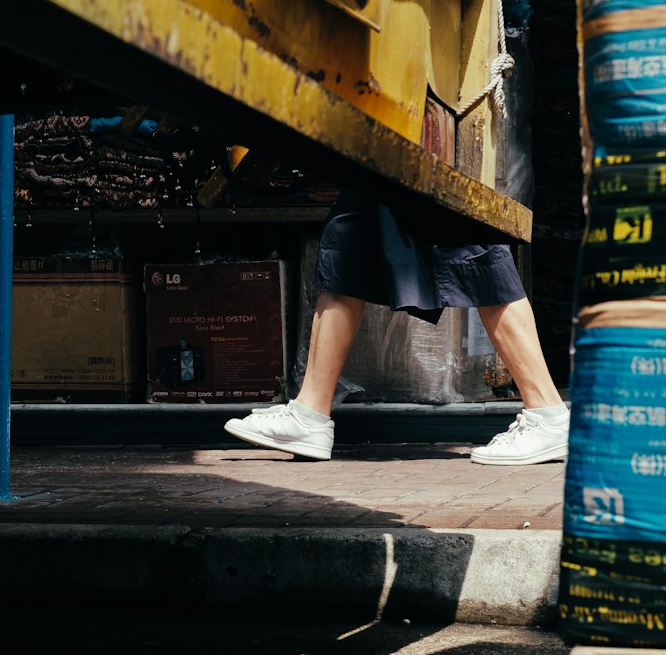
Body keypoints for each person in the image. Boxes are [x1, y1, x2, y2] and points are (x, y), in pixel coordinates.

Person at [224, 187, 568, 466]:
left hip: (424, 127)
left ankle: (547, 413)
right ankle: (309, 413)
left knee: (472, 244)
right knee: (347, 242)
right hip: (386, 133)